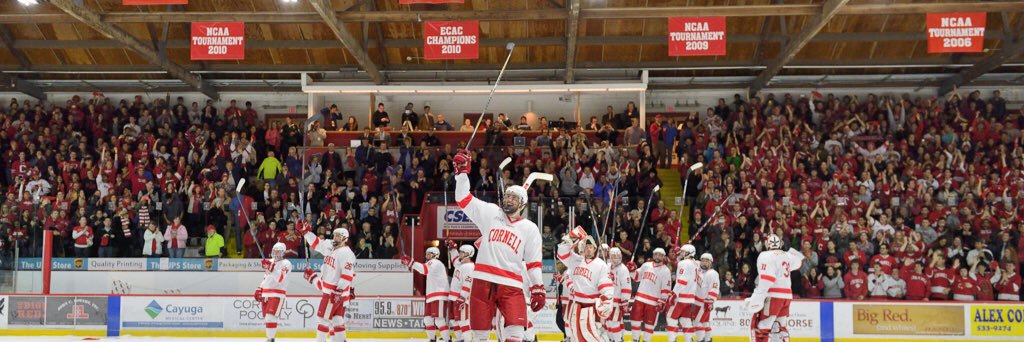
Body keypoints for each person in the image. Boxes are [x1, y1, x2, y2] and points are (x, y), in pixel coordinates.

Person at [452, 149, 544, 342]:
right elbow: (463, 199)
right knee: (480, 333)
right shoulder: (490, 212)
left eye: (513, 197)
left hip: (511, 284)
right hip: (483, 279)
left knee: (517, 331)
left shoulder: (530, 228)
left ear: (522, 204)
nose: (508, 199)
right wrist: (462, 174)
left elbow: (534, 263)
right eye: (507, 195)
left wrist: (538, 287)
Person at [557, 226, 614, 342]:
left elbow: (606, 285)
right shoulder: (575, 260)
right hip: (576, 303)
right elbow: (561, 254)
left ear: (595, 249)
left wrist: (608, 301)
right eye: (586, 247)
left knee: (593, 335)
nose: (588, 250)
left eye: (591, 247)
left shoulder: (600, 264)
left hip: (592, 305)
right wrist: (570, 237)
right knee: (577, 334)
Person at [300, 224, 356, 342]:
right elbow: (317, 243)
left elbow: (348, 275)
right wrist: (306, 233)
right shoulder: (330, 245)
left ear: (345, 239)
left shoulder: (347, 253)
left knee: (323, 319)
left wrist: (339, 291)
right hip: (332, 291)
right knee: (337, 320)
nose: (335, 238)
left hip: (334, 292)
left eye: (338, 236)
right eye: (334, 235)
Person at [745, 234, 804, 342]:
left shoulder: (765, 255)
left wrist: (757, 296)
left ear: (767, 244)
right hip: (786, 296)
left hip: (773, 295)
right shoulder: (787, 255)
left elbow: (768, 279)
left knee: (763, 325)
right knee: (779, 326)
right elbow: (799, 261)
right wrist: (791, 251)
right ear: (780, 243)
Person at [402, 247, 451, 342]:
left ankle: (447, 339)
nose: (426, 255)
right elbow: (423, 268)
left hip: (438, 295)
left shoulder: (435, 262)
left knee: (439, 320)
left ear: (435, 254)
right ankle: (432, 339)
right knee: (427, 320)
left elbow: (423, 269)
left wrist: (411, 262)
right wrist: (410, 264)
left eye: (429, 253)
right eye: (426, 253)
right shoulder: (431, 263)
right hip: (432, 296)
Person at [626, 247, 670, 342]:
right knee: (635, 321)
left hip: (653, 302)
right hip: (639, 298)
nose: (657, 256)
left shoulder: (666, 271)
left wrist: (662, 301)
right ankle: (635, 340)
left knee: (650, 325)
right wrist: (632, 269)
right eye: (656, 254)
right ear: (653, 255)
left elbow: (666, 289)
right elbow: (636, 277)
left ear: (663, 257)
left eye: (660, 255)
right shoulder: (646, 265)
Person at [255, 243, 292, 342]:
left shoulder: (287, 263)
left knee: (271, 317)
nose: (276, 252)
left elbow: (280, 279)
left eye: (278, 251)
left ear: (283, 252)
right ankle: (270, 338)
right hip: (266, 293)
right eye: (274, 250)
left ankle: (270, 339)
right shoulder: (270, 261)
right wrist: (260, 288)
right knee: (267, 318)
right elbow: (266, 277)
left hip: (277, 294)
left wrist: (272, 268)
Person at [667, 244, 700, 342]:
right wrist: (678, 255)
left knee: (671, 318)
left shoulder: (684, 263)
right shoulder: (695, 264)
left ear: (688, 253)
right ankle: (689, 339)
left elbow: (682, 281)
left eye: (683, 252)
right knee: (685, 320)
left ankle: (672, 340)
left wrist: (674, 293)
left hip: (681, 297)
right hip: (690, 298)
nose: (681, 253)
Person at [448, 244, 476, 342]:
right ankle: (460, 339)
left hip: (460, 299)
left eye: (461, 252)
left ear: (467, 254)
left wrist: (463, 297)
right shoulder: (460, 264)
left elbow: (468, 283)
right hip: (453, 297)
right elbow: (455, 259)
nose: (459, 254)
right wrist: (452, 249)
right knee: (454, 321)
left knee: (463, 322)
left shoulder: (469, 267)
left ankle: (469, 340)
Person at [606, 247, 631, 342]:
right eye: (613, 255)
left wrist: (625, 301)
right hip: (607, 300)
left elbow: (626, 286)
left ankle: (618, 340)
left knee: (614, 322)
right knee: (608, 323)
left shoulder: (623, 269)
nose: (616, 258)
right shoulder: (607, 266)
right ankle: (616, 339)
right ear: (610, 256)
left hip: (616, 301)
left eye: (617, 255)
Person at [696, 253, 719, 342]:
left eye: (707, 261)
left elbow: (714, 288)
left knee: (698, 322)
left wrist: (710, 301)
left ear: (711, 263)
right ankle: (708, 339)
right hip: (698, 301)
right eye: (703, 261)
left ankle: (700, 340)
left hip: (705, 302)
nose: (704, 263)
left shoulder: (712, 273)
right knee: (705, 322)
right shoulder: (699, 270)